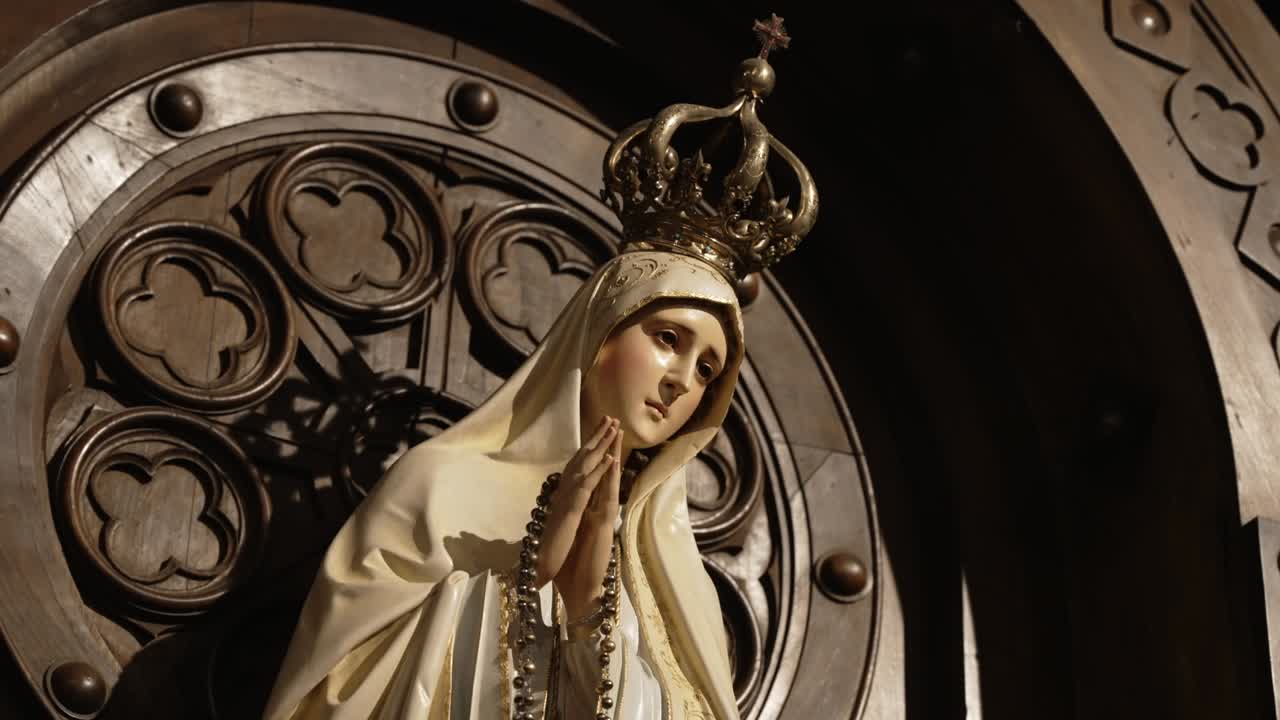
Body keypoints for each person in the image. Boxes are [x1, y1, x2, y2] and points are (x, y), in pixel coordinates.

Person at [263, 15, 816, 720]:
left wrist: (590, 614)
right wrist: (523, 575)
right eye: (669, 338)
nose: (682, 381)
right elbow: (330, 692)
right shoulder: (438, 488)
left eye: (708, 370)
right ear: (597, 335)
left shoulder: (676, 575)